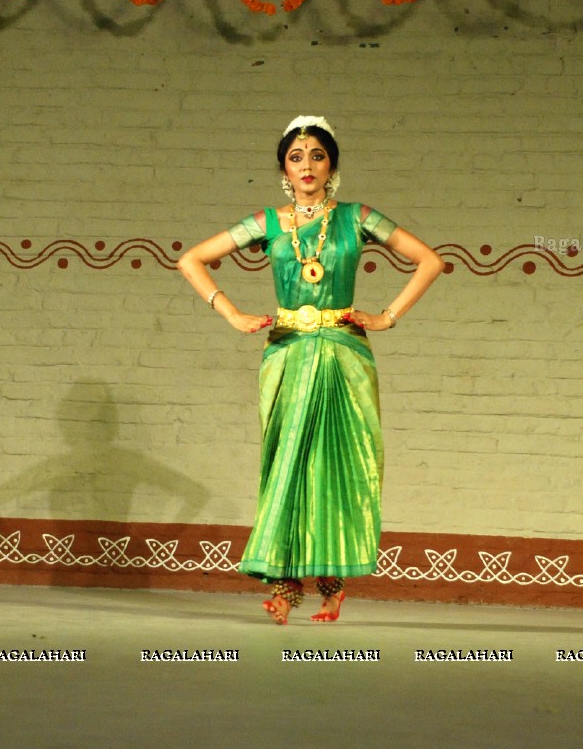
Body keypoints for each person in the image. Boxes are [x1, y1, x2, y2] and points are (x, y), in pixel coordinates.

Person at [177, 115, 442, 624]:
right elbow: (192, 260)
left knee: (341, 464)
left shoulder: (357, 217)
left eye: (317, 156)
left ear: (332, 165)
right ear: (283, 166)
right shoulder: (268, 223)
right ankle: (284, 584)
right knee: (288, 463)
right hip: (288, 352)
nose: (307, 166)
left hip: (344, 352)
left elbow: (429, 260)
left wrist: (387, 317)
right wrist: (231, 313)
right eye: (296, 157)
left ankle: (333, 584)